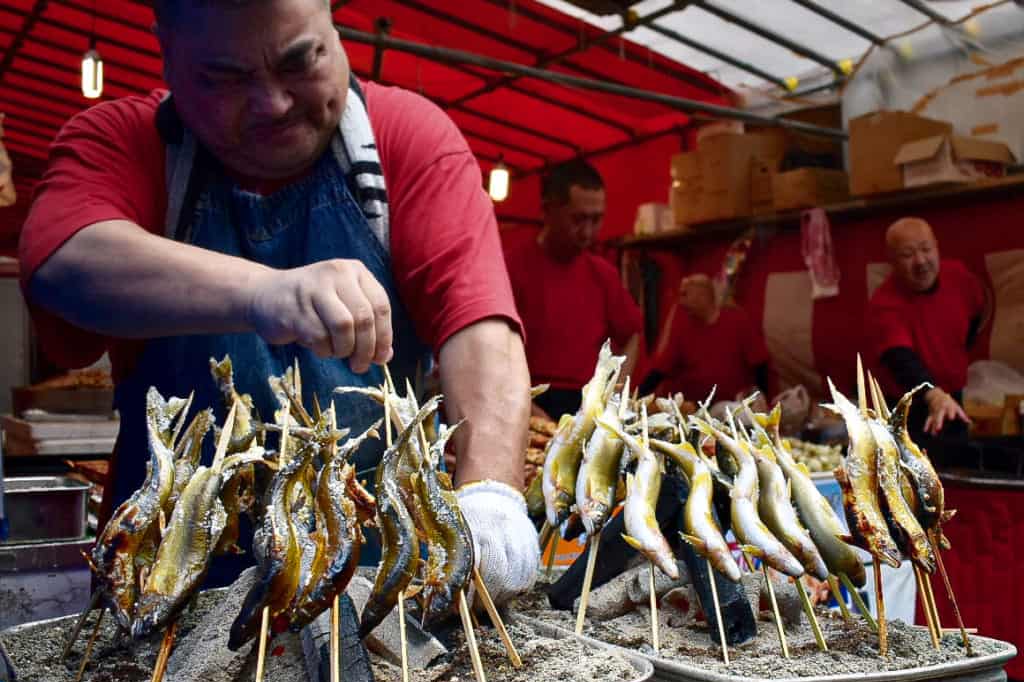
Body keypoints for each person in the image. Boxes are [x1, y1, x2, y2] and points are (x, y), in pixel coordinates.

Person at [18, 0, 537, 604]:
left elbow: (480, 327)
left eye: (301, 61)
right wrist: (264, 289)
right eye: (225, 78)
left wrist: (492, 495)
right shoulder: (126, 140)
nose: (273, 103)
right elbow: (62, 259)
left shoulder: (406, 138)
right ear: (167, 54)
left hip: (375, 588)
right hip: (163, 581)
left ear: (334, 25)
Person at [504, 159, 641, 419]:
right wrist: (524, 406)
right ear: (547, 211)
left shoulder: (603, 274)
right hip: (525, 398)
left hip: (585, 404)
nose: (587, 231)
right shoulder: (511, 268)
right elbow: (496, 352)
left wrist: (613, 393)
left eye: (596, 219)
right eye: (578, 219)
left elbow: (632, 334)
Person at [867, 217, 986, 443]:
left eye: (926, 249)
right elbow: (900, 359)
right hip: (909, 406)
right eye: (907, 254)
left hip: (952, 396)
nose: (921, 261)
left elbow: (976, 315)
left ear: (937, 248)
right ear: (891, 261)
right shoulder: (884, 303)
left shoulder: (959, 277)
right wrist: (932, 394)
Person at [640, 273, 770, 405]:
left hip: (734, 407)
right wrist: (636, 396)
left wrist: (765, 402)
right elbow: (661, 369)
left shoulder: (737, 321)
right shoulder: (683, 328)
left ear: (703, 295)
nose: (681, 301)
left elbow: (760, 364)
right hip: (696, 408)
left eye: (686, 294)